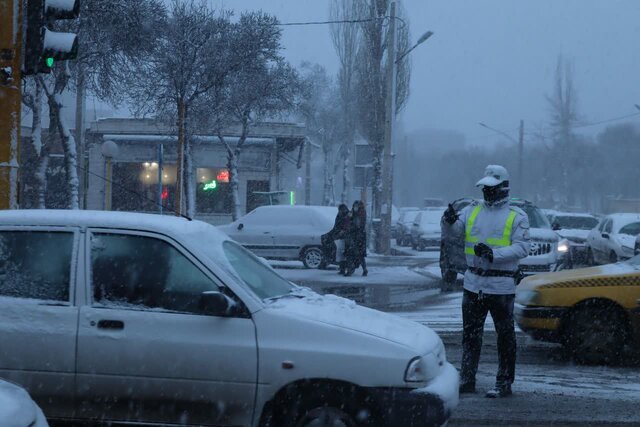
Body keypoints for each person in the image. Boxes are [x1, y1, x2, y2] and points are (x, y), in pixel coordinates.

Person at [442, 165, 530, 398]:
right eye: (484, 188)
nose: (487, 192)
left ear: (503, 188)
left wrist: (493, 254)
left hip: (501, 286)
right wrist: (448, 220)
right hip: (473, 284)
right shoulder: (472, 211)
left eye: (491, 188)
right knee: (470, 335)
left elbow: (523, 247)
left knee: (505, 337)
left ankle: (504, 382)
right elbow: (453, 233)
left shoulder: (516, 216)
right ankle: (467, 378)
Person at [345, 201, 368, 277]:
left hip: (357, 237)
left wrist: (350, 222)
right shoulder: (355, 213)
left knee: (353, 254)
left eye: (356, 206)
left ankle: (351, 270)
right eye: (354, 206)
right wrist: (349, 217)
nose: (355, 207)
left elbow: (357, 225)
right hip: (357, 237)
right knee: (358, 255)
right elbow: (347, 221)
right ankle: (363, 269)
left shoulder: (360, 214)